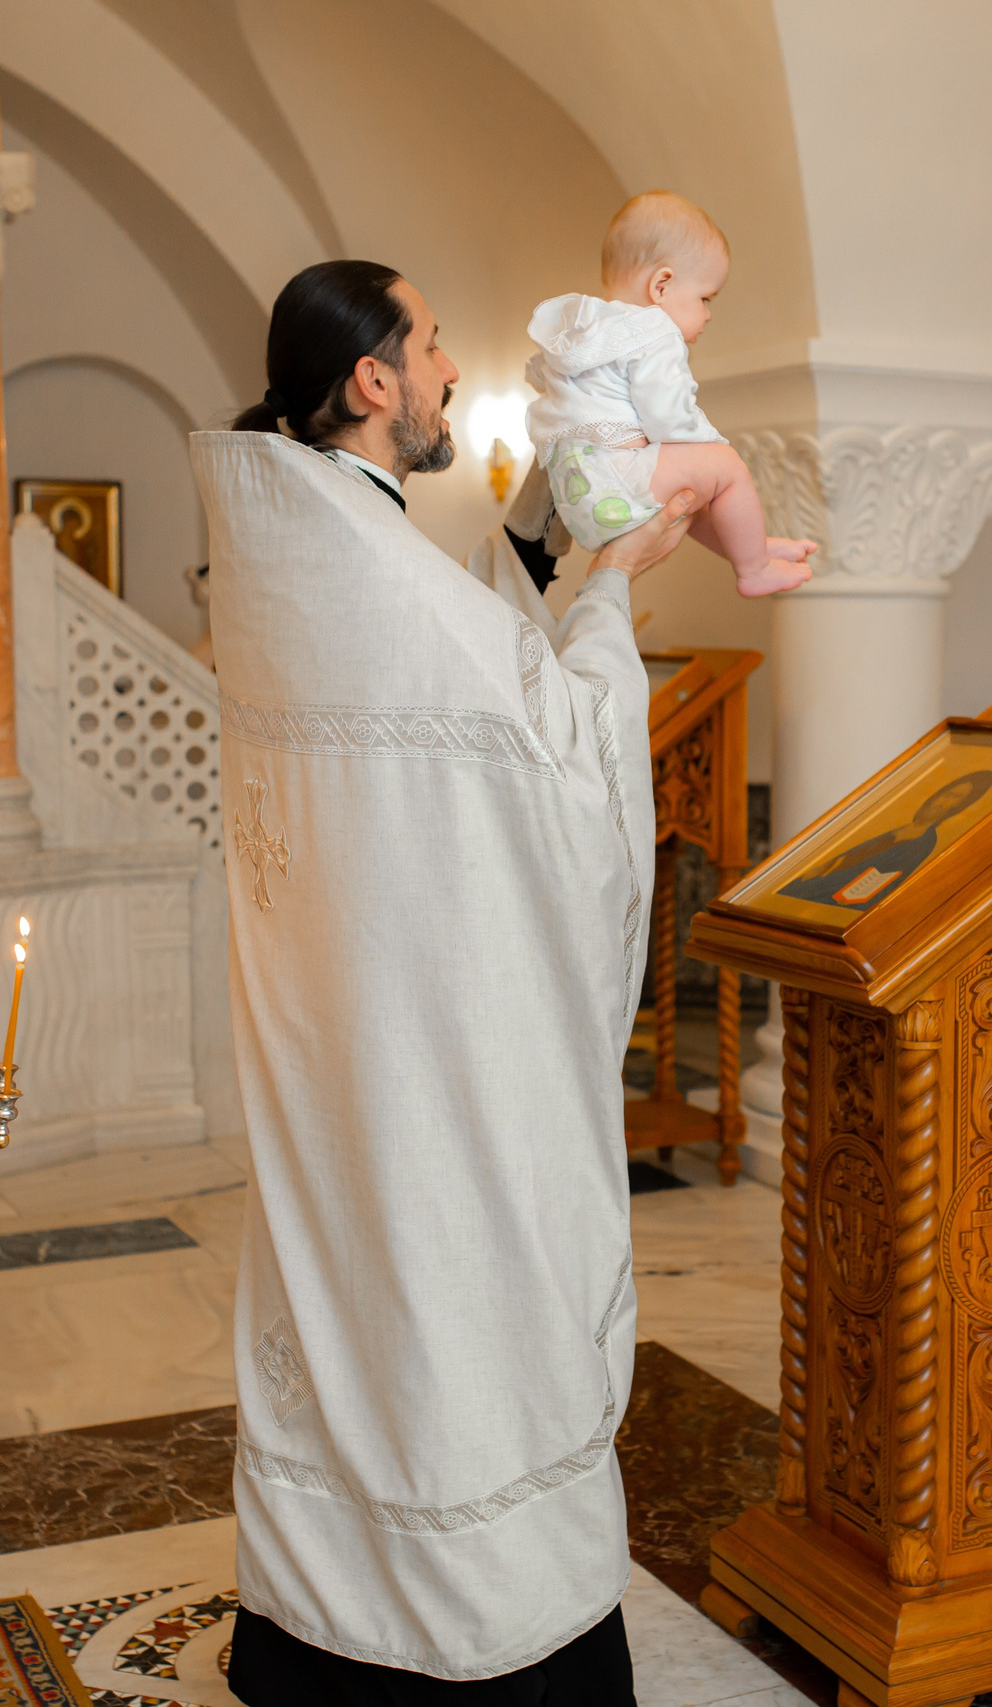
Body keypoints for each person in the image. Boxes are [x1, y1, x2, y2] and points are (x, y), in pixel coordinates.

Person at [193, 259, 700, 1705]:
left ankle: (321, 1628)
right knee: (457, 1306)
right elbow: (556, 750)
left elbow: (458, 649)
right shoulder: (351, 553)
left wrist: (544, 530)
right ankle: (473, 1635)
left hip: (350, 1018)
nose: (449, 372)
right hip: (428, 1038)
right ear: (372, 381)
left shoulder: (307, 538)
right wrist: (609, 589)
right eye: (429, 348)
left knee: (354, 1281)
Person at [525, 191, 816, 597]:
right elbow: (669, 419)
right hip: (617, 482)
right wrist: (715, 447)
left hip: (583, 497)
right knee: (726, 466)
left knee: (697, 489)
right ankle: (754, 568)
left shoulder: (592, 331)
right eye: (705, 298)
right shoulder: (653, 331)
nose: (709, 314)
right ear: (661, 285)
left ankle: (750, 549)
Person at [778, 769, 992, 909]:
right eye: (946, 792)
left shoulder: (923, 843)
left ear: (957, 808)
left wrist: (840, 895)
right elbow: (853, 852)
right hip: (824, 878)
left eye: (953, 798)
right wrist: (823, 867)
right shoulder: (900, 824)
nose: (942, 798)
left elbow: (884, 881)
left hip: (841, 896)